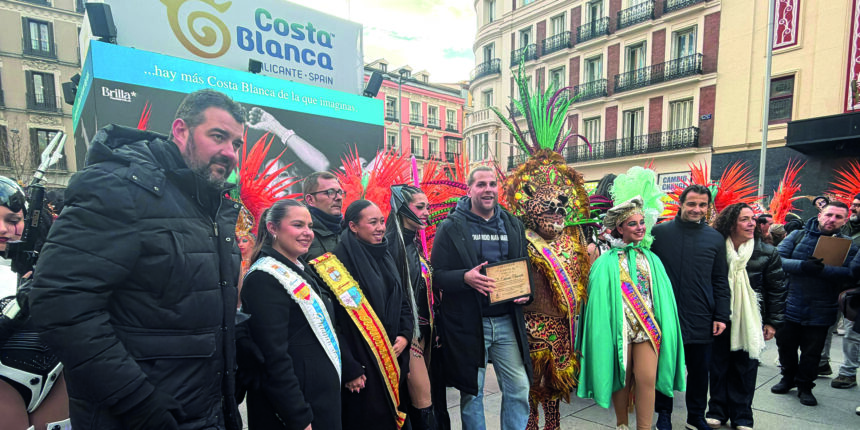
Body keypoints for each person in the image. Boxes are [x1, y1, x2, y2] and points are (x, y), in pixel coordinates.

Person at [29, 89, 245, 429]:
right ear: (180, 130)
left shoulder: (211, 207)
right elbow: (60, 304)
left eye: (236, 144)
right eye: (218, 136)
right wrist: (139, 403)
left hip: (205, 414)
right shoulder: (118, 187)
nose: (229, 153)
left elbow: (181, 307)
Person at [430, 166, 532, 430]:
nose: (488, 190)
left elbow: (524, 268)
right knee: (472, 393)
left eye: (492, 184)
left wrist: (525, 292)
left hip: (506, 321)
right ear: (470, 189)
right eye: (481, 185)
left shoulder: (512, 224)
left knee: (519, 387)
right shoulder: (450, 227)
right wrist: (465, 278)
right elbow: (437, 275)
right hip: (469, 323)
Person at [577, 197, 685, 430]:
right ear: (620, 228)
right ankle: (622, 424)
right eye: (633, 224)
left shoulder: (652, 259)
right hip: (618, 329)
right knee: (621, 379)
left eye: (642, 222)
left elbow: (663, 298)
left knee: (647, 379)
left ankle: (644, 428)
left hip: (647, 329)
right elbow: (596, 300)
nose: (640, 227)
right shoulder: (604, 262)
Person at [239, 200, 345, 429]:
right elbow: (272, 356)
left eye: (310, 226)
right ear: (273, 228)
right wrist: (298, 416)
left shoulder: (299, 266)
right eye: (298, 225)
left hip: (318, 397)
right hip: (296, 408)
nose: (307, 233)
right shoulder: (263, 278)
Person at [311, 199, 413, 430]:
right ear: (353, 226)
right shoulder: (335, 266)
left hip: (394, 358)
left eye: (382, 222)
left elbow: (402, 300)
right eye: (373, 222)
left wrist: (405, 335)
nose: (380, 228)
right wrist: (350, 368)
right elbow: (331, 324)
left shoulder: (385, 255)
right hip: (362, 365)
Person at [650, 184, 730, 430]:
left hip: (702, 315)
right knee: (664, 368)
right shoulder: (659, 233)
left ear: (708, 207)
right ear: (681, 204)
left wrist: (721, 315)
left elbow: (720, 279)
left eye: (702, 205)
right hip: (666, 315)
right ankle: (663, 414)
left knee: (700, 371)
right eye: (692, 203)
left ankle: (695, 416)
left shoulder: (715, 238)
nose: (697, 209)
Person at [706, 203, 787, 430]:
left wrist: (772, 322)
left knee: (745, 368)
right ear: (730, 223)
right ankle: (716, 411)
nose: (752, 223)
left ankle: (742, 417)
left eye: (753, 218)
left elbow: (777, 290)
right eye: (744, 219)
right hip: (720, 316)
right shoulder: (716, 248)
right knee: (718, 366)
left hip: (751, 319)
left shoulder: (767, 252)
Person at [771, 201, 859, 406]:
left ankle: (805, 386)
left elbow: (852, 273)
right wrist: (803, 266)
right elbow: (778, 260)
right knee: (785, 347)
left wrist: (823, 270)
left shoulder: (849, 245)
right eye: (829, 215)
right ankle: (788, 378)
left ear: (844, 220)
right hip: (790, 301)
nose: (832, 220)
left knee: (812, 353)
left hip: (822, 306)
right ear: (820, 215)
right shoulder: (797, 235)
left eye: (838, 217)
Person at [0, 176, 71, 430]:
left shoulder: (45, 259)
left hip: (55, 377)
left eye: (13, 220)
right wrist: (17, 309)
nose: (3, 229)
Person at [386, 185, 440, 430]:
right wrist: (406, 333)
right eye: (420, 207)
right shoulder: (391, 246)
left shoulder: (413, 243)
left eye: (427, 207)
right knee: (422, 398)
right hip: (408, 336)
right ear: (402, 207)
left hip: (425, 332)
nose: (426, 212)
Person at [833, 193, 860, 389]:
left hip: (855, 289)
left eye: (858, 205)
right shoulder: (842, 229)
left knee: (852, 333)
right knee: (828, 327)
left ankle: (847, 372)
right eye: (853, 204)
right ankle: (823, 364)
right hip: (836, 284)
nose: (854, 208)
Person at [304, 171, 345, 260]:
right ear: (310, 200)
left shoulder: (349, 230)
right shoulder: (302, 235)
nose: (339, 197)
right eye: (330, 192)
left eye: (340, 192)